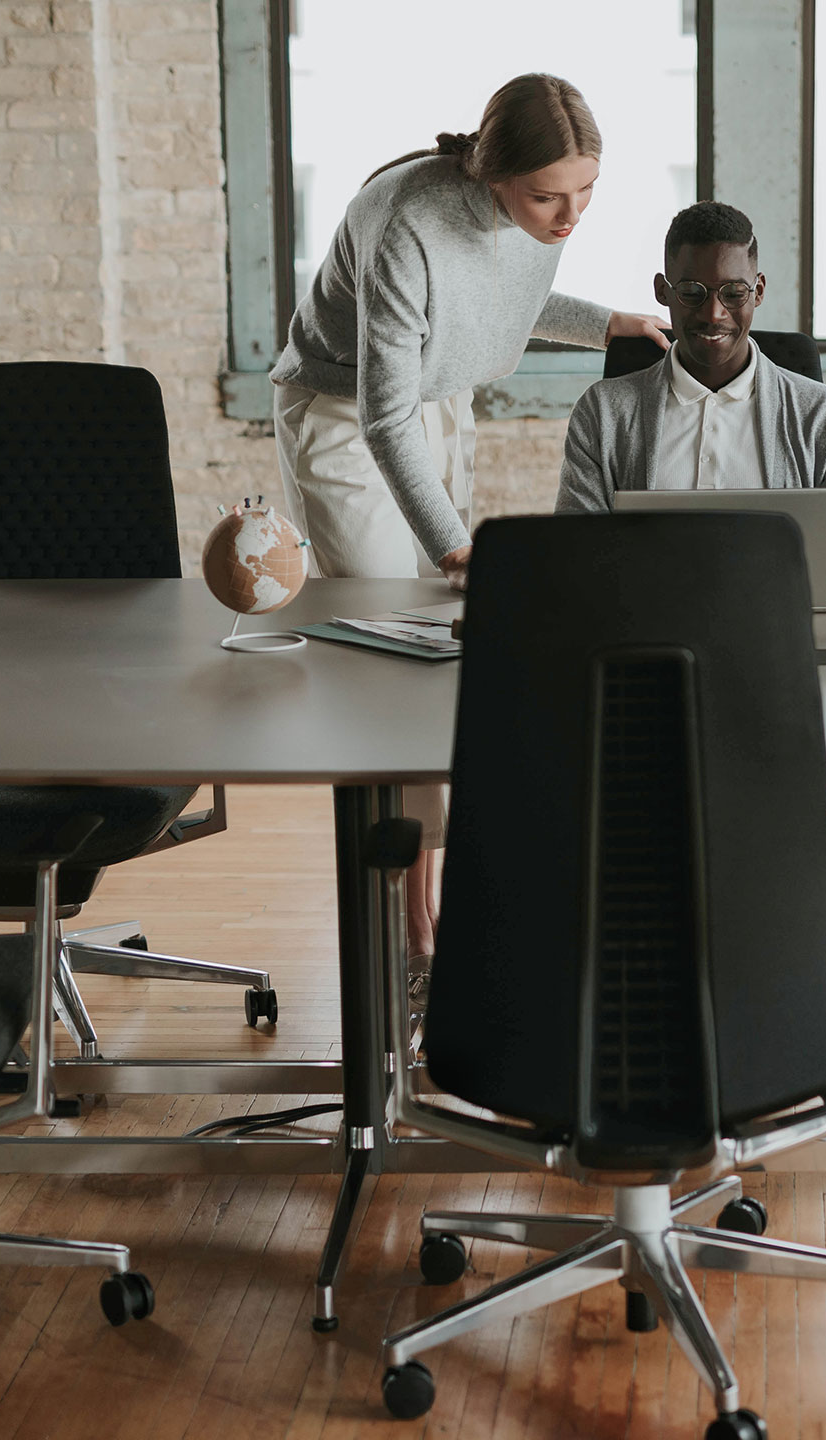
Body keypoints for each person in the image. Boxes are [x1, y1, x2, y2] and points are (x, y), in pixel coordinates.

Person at [271, 72, 666, 960]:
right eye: (548, 196)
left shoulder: (534, 211)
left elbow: (500, 305)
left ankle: (432, 902)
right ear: (496, 174)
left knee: (436, 659)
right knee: (383, 653)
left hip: (439, 401)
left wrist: (609, 323)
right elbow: (381, 413)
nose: (569, 218)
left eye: (587, 194)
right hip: (345, 415)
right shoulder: (407, 221)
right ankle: (405, 930)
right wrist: (454, 545)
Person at [553, 202, 826, 581]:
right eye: (692, 292)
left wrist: (796, 565)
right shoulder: (603, 412)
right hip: (645, 630)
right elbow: (571, 548)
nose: (714, 313)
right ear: (662, 292)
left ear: (758, 291)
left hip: (778, 627)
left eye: (733, 292)